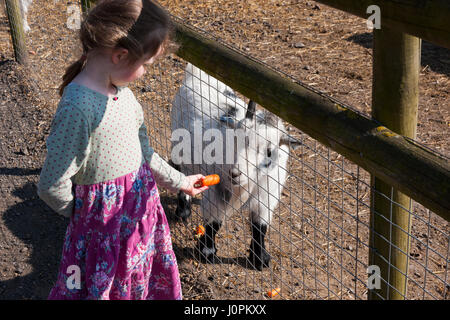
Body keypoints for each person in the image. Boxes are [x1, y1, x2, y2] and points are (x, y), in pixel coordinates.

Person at [37, 0, 208, 300]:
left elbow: (144, 153)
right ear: (120, 55)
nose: (145, 73)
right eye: (146, 65)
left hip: (138, 225)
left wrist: (179, 181)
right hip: (104, 235)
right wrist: (86, 218)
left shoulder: (124, 97)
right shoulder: (78, 109)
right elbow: (52, 184)